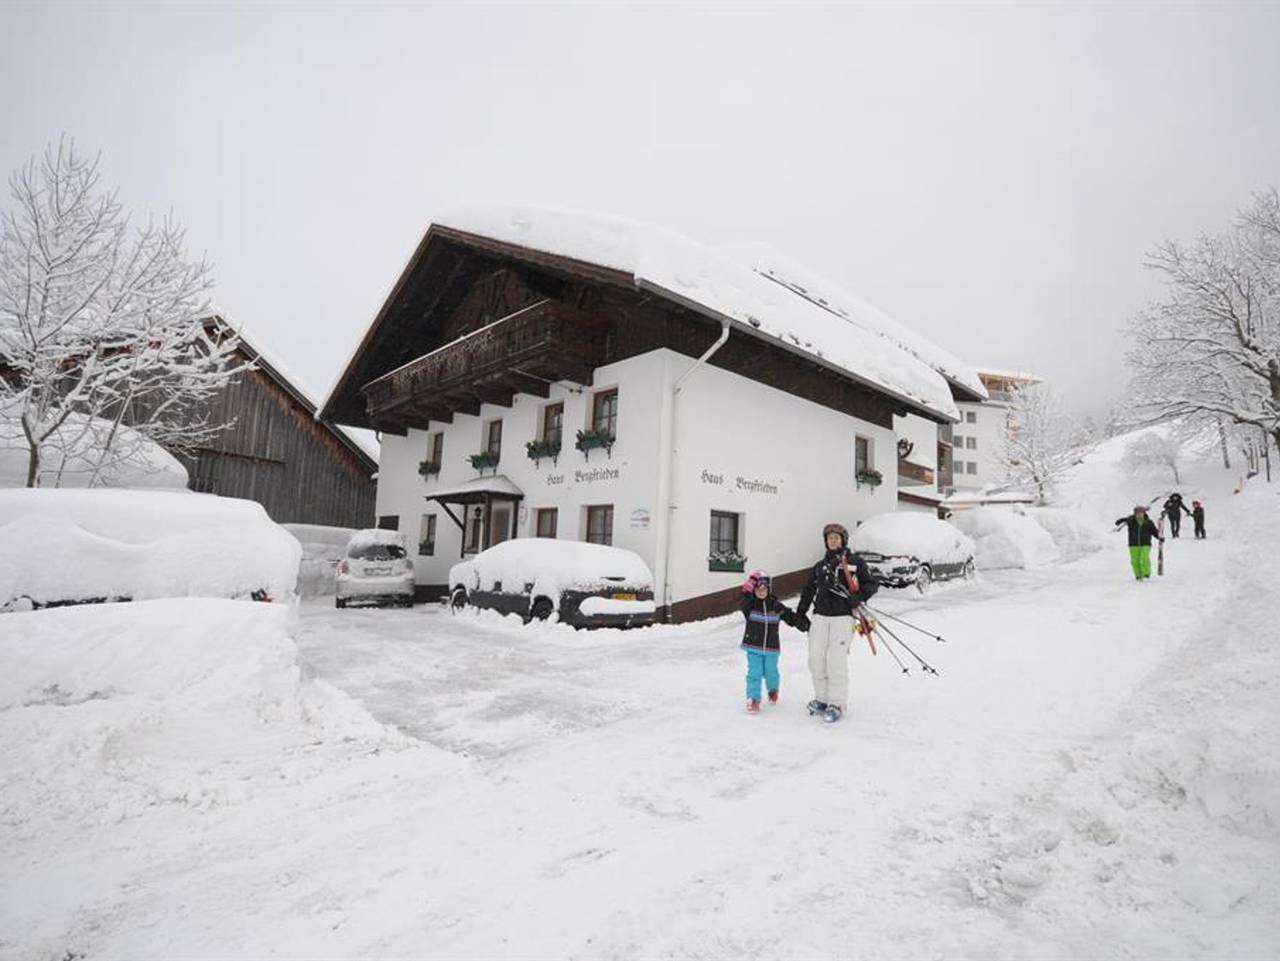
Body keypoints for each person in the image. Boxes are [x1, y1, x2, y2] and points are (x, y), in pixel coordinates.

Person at [795, 522, 878, 724]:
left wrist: (858, 598)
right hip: (820, 617)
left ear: (843, 540)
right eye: (829, 538)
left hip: (842, 617)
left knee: (836, 661)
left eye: (836, 538)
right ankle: (822, 699)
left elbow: (871, 584)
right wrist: (800, 613)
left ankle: (837, 703)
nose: (833, 541)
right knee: (816, 659)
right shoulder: (819, 566)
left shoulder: (854, 562)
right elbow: (808, 591)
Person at [739, 571, 803, 714]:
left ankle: (773, 689)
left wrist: (805, 625)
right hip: (753, 646)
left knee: (771, 672)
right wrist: (751, 582)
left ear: (768, 590)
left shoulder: (776, 606)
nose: (761, 592)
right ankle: (753, 699)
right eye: (758, 589)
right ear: (754, 590)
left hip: (771, 648)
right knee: (754, 673)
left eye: (764, 589)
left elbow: (791, 618)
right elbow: (743, 598)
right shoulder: (749, 606)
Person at [1115, 504, 1164, 580]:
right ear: (1135, 514)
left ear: (1144, 513)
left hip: (1145, 544)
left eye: (1141, 513)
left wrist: (1160, 537)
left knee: (1143, 558)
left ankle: (1146, 574)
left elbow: (1154, 532)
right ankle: (1138, 575)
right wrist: (1120, 521)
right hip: (1133, 544)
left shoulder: (1148, 522)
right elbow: (1122, 521)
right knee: (1135, 561)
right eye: (1137, 513)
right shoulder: (1131, 521)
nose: (1139, 515)